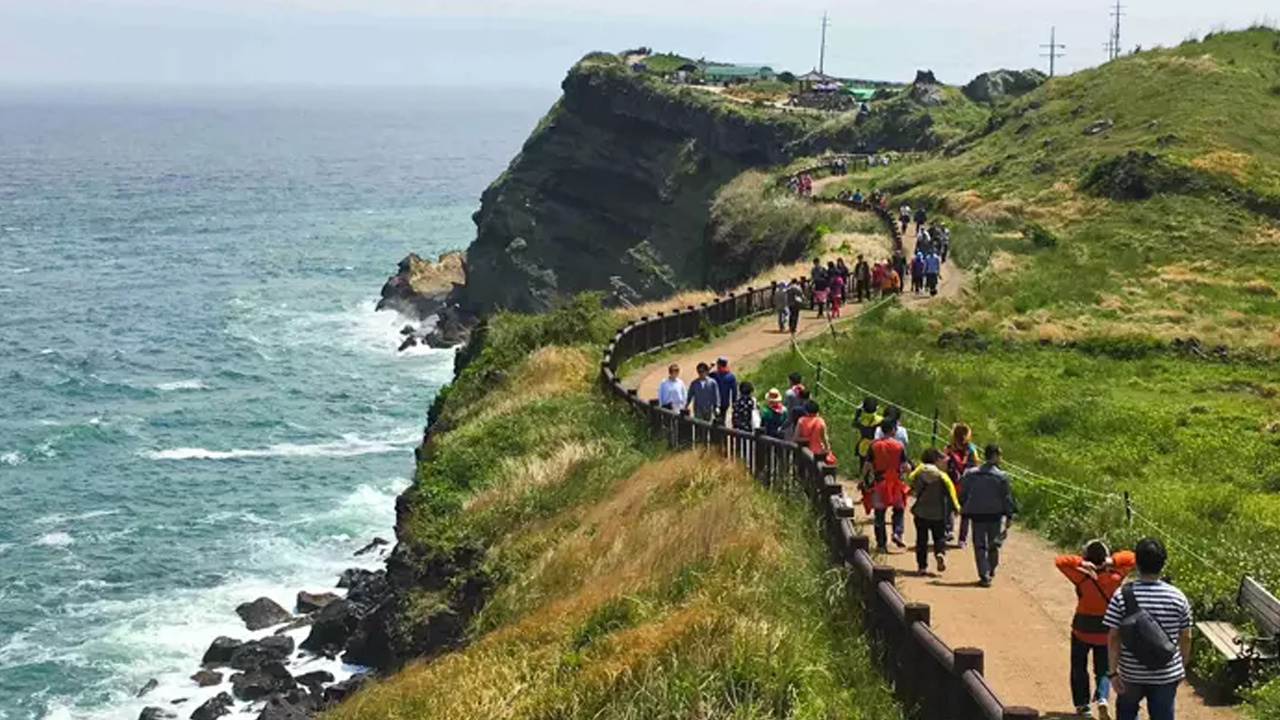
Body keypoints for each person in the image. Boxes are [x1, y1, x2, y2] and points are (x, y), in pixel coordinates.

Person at [1104, 537, 1193, 720]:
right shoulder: (1177, 597)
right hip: (1167, 673)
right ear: (1163, 563)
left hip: (1131, 673)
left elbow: (1114, 637)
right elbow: (1186, 636)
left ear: (1136, 562)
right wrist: (1180, 667)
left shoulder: (1121, 595)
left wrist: (1113, 672)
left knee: (1127, 713)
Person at [1057, 541, 1137, 718]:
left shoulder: (1081, 577)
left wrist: (1081, 563)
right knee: (1104, 668)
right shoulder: (1116, 577)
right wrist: (1112, 561)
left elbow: (1060, 561)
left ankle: (1083, 706)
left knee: (1079, 666)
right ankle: (1102, 698)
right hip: (1106, 630)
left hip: (1082, 629)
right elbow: (1132, 557)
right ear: (1105, 556)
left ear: (1086, 557)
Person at [959, 444, 1016, 587]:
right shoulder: (1002, 477)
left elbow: (963, 493)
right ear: (995, 456)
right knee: (993, 545)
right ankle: (990, 569)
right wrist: (1009, 516)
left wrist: (964, 506)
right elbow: (1007, 498)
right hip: (994, 516)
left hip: (977, 514)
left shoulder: (971, 474)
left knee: (979, 546)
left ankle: (984, 574)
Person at [909, 448, 959, 575]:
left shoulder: (918, 473)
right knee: (939, 537)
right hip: (938, 512)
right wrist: (956, 508)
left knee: (921, 540)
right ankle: (940, 553)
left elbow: (913, 490)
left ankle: (922, 567)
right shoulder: (942, 477)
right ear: (936, 460)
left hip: (921, 511)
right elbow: (950, 494)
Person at [864, 417, 910, 551]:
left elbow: (867, 465)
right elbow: (905, 466)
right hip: (896, 482)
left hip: (879, 482)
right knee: (899, 509)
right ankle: (897, 532)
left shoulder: (874, 445)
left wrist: (863, 479)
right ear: (893, 430)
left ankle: (881, 543)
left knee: (879, 514)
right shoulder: (899, 446)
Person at [943, 423, 980, 547]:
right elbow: (976, 466)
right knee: (965, 511)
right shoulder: (972, 449)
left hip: (952, 481)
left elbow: (943, 464)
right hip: (966, 483)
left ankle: (949, 530)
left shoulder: (949, 448)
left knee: (949, 507)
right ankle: (961, 539)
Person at [853, 397, 882, 467]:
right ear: (876, 408)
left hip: (863, 447)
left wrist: (857, 413)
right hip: (876, 446)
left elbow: (854, 424)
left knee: (863, 468)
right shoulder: (880, 420)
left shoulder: (861, 421)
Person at [709, 357, 738, 425]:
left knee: (717, 419)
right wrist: (734, 402)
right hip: (725, 401)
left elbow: (704, 375)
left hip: (715, 401)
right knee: (722, 418)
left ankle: (719, 434)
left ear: (718, 365)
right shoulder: (731, 376)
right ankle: (722, 434)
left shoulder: (714, 375)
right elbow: (734, 391)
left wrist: (710, 366)